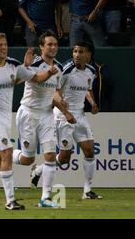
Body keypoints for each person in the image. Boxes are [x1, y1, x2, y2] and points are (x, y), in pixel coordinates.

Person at [0, 32, 58, 210]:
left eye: (5, 44)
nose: (4, 48)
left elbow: (35, 78)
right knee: (6, 152)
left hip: (5, 117)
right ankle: (10, 201)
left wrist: (48, 73)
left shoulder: (13, 65)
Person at [31, 40, 103, 200]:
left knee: (90, 151)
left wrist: (92, 103)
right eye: (75, 51)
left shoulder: (91, 71)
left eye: (81, 52)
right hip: (63, 116)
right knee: (64, 158)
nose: (77, 55)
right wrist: (63, 106)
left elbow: (87, 89)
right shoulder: (64, 70)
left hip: (80, 115)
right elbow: (55, 91)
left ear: (88, 55)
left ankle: (87, 191)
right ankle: (39, 170)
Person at [11, 30, 70, 208]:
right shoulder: (33, 64)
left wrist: (64, 108)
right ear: (41, 47)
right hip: (28, 113)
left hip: (46, 114)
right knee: (28, 159)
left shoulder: (59, 68)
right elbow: (14, 81)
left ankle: (45, 198)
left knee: (51, 155)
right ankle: (4, 155)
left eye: (55, 44)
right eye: (49, 44)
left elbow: (56, 93)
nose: (53, 47)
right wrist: (25, 66)